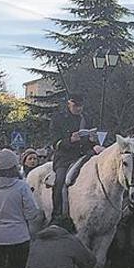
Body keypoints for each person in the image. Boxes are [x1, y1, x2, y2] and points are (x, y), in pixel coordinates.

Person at [49, 94, 96, 222]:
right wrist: (70, 140)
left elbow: (90, 141)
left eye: (80, 106)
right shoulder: (58, 119)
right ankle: (57, 213)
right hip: (65, 158)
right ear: (69, 104)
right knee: (60, 180)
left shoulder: (86, 118)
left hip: (84, 155)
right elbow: (55, 143)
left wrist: (94, 142)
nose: (78, 109)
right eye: (75, 106)